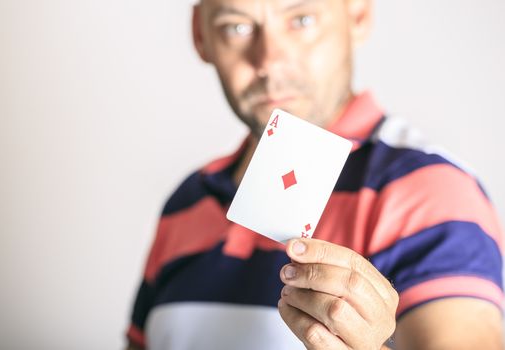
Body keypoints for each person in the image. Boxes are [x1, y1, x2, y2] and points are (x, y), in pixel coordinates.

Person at [127, 0, 504, 349]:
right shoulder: (187, 199)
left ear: (357, 14)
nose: (270, 60)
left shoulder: (430, 191)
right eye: (236, 27)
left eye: (301, 20)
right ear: (200, 35)